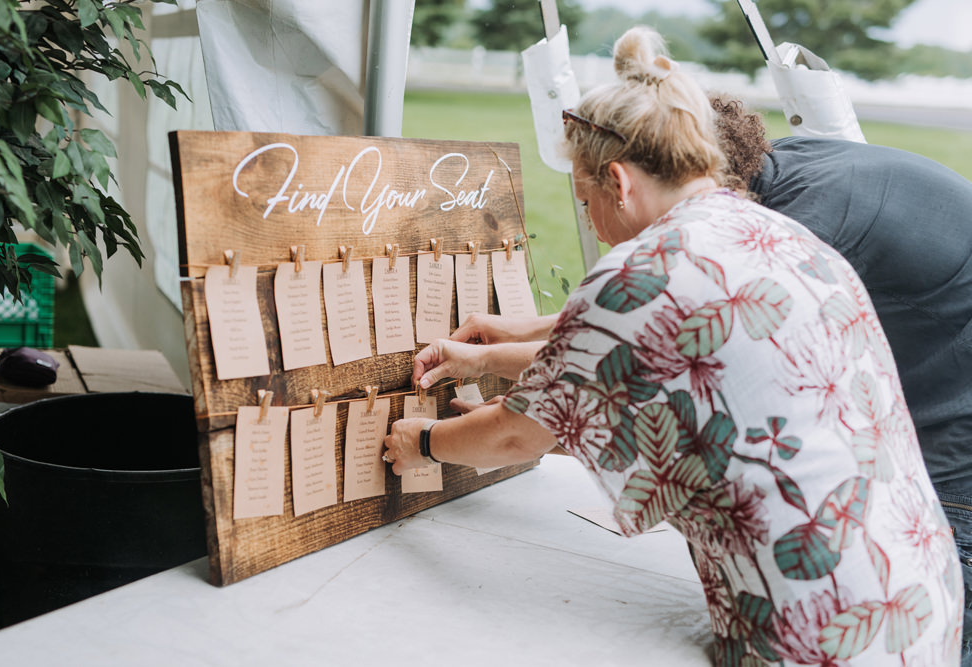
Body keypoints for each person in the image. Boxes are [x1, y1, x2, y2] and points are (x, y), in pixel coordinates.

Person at [384, 25, 963, 665]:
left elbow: (519, 435)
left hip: (817, 629)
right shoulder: (775, 231)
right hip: (917, 593)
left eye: (584, 201)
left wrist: (422, 444)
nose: (594, 227)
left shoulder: (644, 272)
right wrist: (500, 350)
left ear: (618, 181)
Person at [712, 92, 972, 667]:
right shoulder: (780, 162)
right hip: (936, 356)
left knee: (945, 607)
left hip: (957, 423)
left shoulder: (805, 223)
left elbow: (692, 328)